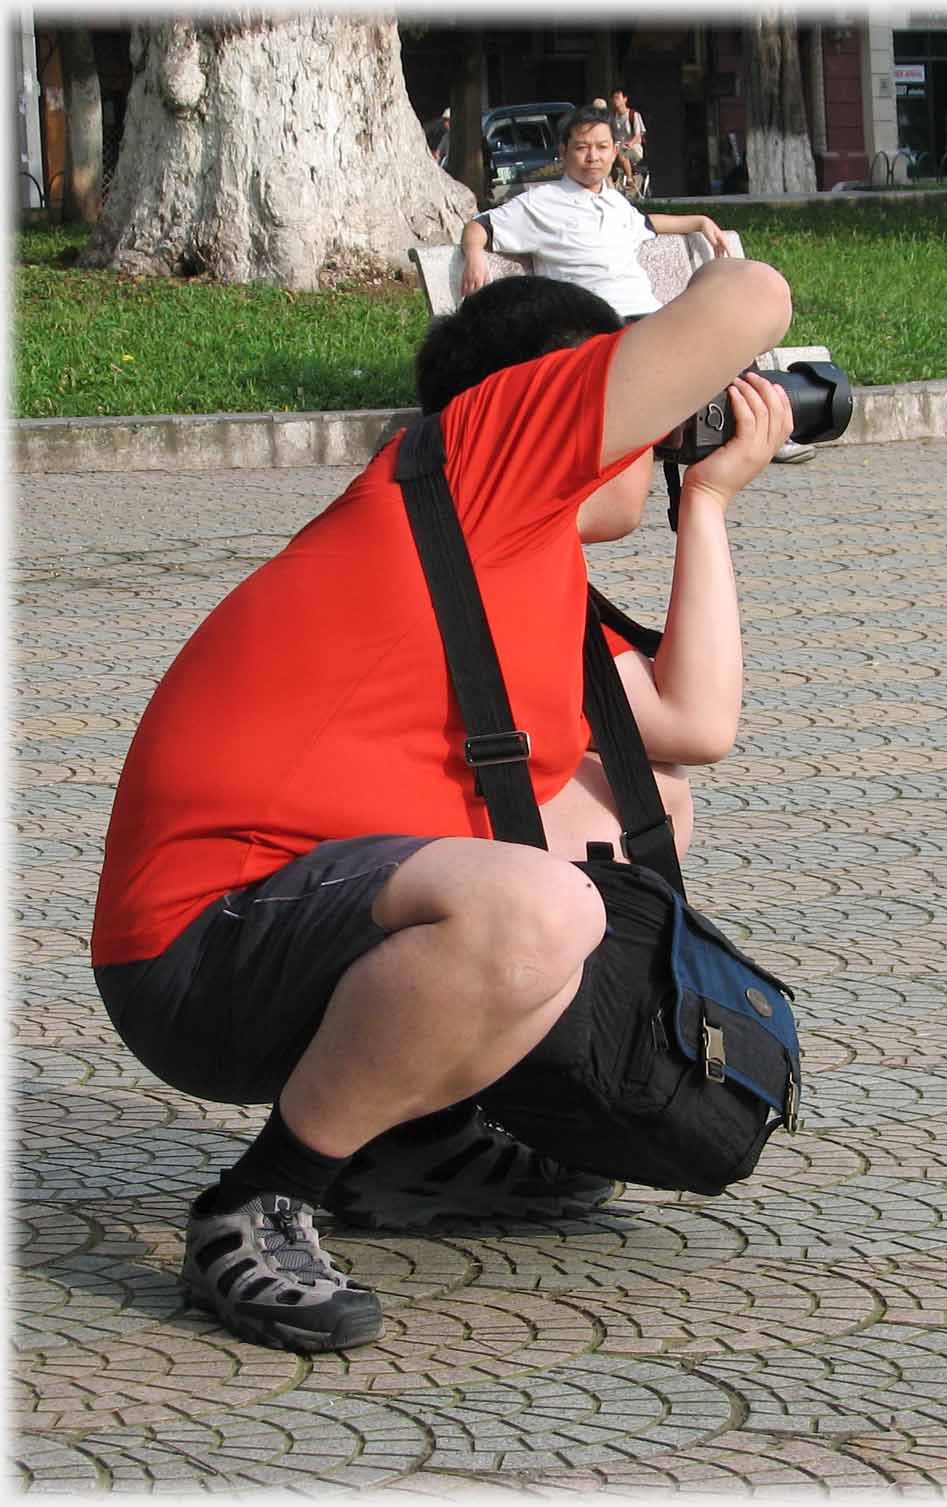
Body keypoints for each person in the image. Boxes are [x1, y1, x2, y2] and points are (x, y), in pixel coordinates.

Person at [91, 246, 795, 1352]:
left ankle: (404, 1140)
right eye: (642, 404)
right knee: (547, 906)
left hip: (295, 927)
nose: (655, 434)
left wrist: (704, 503)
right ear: (554, 393)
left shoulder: (514, 559)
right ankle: (259, 1200)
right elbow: (755, 302)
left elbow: (691, 720)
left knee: (635, 806)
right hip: (196, 948)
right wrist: (701, 269)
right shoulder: (483, 459)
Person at [461, 106, 813, 464]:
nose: (592, 157)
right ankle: (752, 433)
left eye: (601, 147)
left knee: (726, 335)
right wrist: (474, 254)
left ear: (616, 151)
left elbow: (648, 223)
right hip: (597, 327)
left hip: (646, 320)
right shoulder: (540, 203)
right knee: (703, 339)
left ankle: (768, 431)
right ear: (564, 151)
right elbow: (481, 226)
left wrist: (700, 222)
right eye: (582, 147)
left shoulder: (614, 203)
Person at [610, 86, 647, 194]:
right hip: (618, 148)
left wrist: (630, 143)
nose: (615, 101)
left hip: (633, 148)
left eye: (618, 98)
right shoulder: (613, 117)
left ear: (625, 99)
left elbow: (638, 135)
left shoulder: (633, 115)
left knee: (622, 155)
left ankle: (630, 179)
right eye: (613, 98)